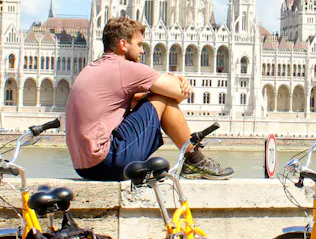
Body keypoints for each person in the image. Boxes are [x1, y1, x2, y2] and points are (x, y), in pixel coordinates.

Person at [65, 17, 233, 181]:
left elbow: (129, 102)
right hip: (107, 161)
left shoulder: (91, 68)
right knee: (161, 97)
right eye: (139, 44)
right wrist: (178, 79)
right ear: (123, 44)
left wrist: (147, 94)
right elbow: (179, 93)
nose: (142, 51)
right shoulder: (125, 68)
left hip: (83, 167)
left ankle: (193, 159)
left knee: (149, 97)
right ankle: (195, 160)